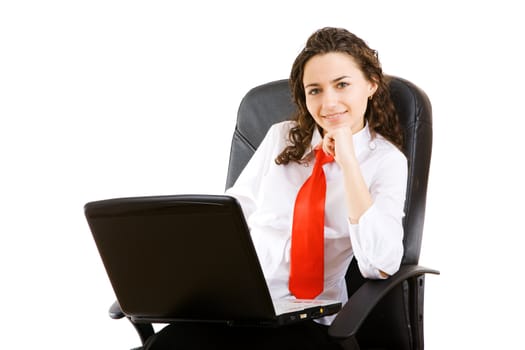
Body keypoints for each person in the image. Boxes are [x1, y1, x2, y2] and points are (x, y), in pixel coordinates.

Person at [144, 27, 407, 349]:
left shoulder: (386, 161)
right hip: (236, 306)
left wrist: (350, 163)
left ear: (371, 84)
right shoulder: (282, 138)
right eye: (315, 90)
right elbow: (233, 214)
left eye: (342, 85)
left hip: (304, 319)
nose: (328, 102)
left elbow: (381, 264)